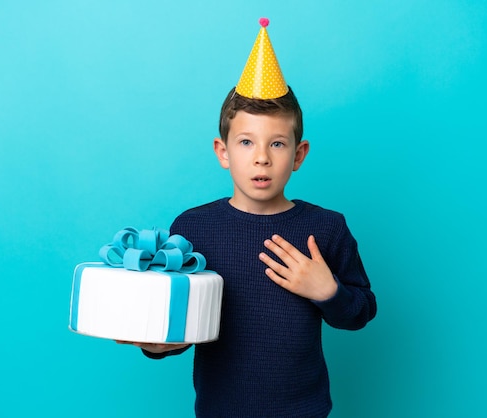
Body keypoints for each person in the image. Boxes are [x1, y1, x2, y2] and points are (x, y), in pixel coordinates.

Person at [117, 18, 376, 417]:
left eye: (277, 143)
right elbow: (182, 326)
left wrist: (328, 291)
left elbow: (360, 313)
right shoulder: (193, 229)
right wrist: (156, 343)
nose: (261, 157)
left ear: (299, 154)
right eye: (246, 142)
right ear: (223, 152)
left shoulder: (327, 229)